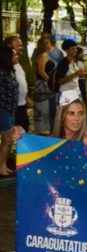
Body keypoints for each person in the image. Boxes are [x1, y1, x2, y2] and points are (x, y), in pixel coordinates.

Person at [0, 46, 22, 176]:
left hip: (10, 110)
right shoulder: (2, 73)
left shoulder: (10, 71)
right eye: (14, 55)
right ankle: (1, 167)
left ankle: (3, 165)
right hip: (4, 111)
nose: (17, 56)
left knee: (7, 141)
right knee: (7, 140)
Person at [32, 37, 56, 134]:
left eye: (48, 43)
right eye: (45, 43)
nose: (47, 45)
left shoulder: (40, 55)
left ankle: (44, 131)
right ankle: (44, 132)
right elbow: (41, 72)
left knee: (44, 111)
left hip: (42, 85)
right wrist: (51, 82)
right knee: (44, 111)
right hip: (44, 87)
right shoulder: (43, 55)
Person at [5, 35, 29, 132]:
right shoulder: (5, 66)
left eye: (21, 45)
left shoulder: (17, 62)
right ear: (9, 46)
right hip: (11, 108)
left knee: (24, 131)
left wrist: (27, 98)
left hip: (22, 106)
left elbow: (21, 83)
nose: (21, 48)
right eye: (18, 46)